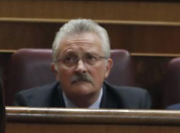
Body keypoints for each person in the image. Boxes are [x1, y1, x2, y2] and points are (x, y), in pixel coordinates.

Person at [14, 19, 151, 109]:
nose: (80, 68)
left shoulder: (134, 104)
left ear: (107, 68)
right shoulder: (30, 105)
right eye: (70, 59)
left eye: (90, 58)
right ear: (55, 71)